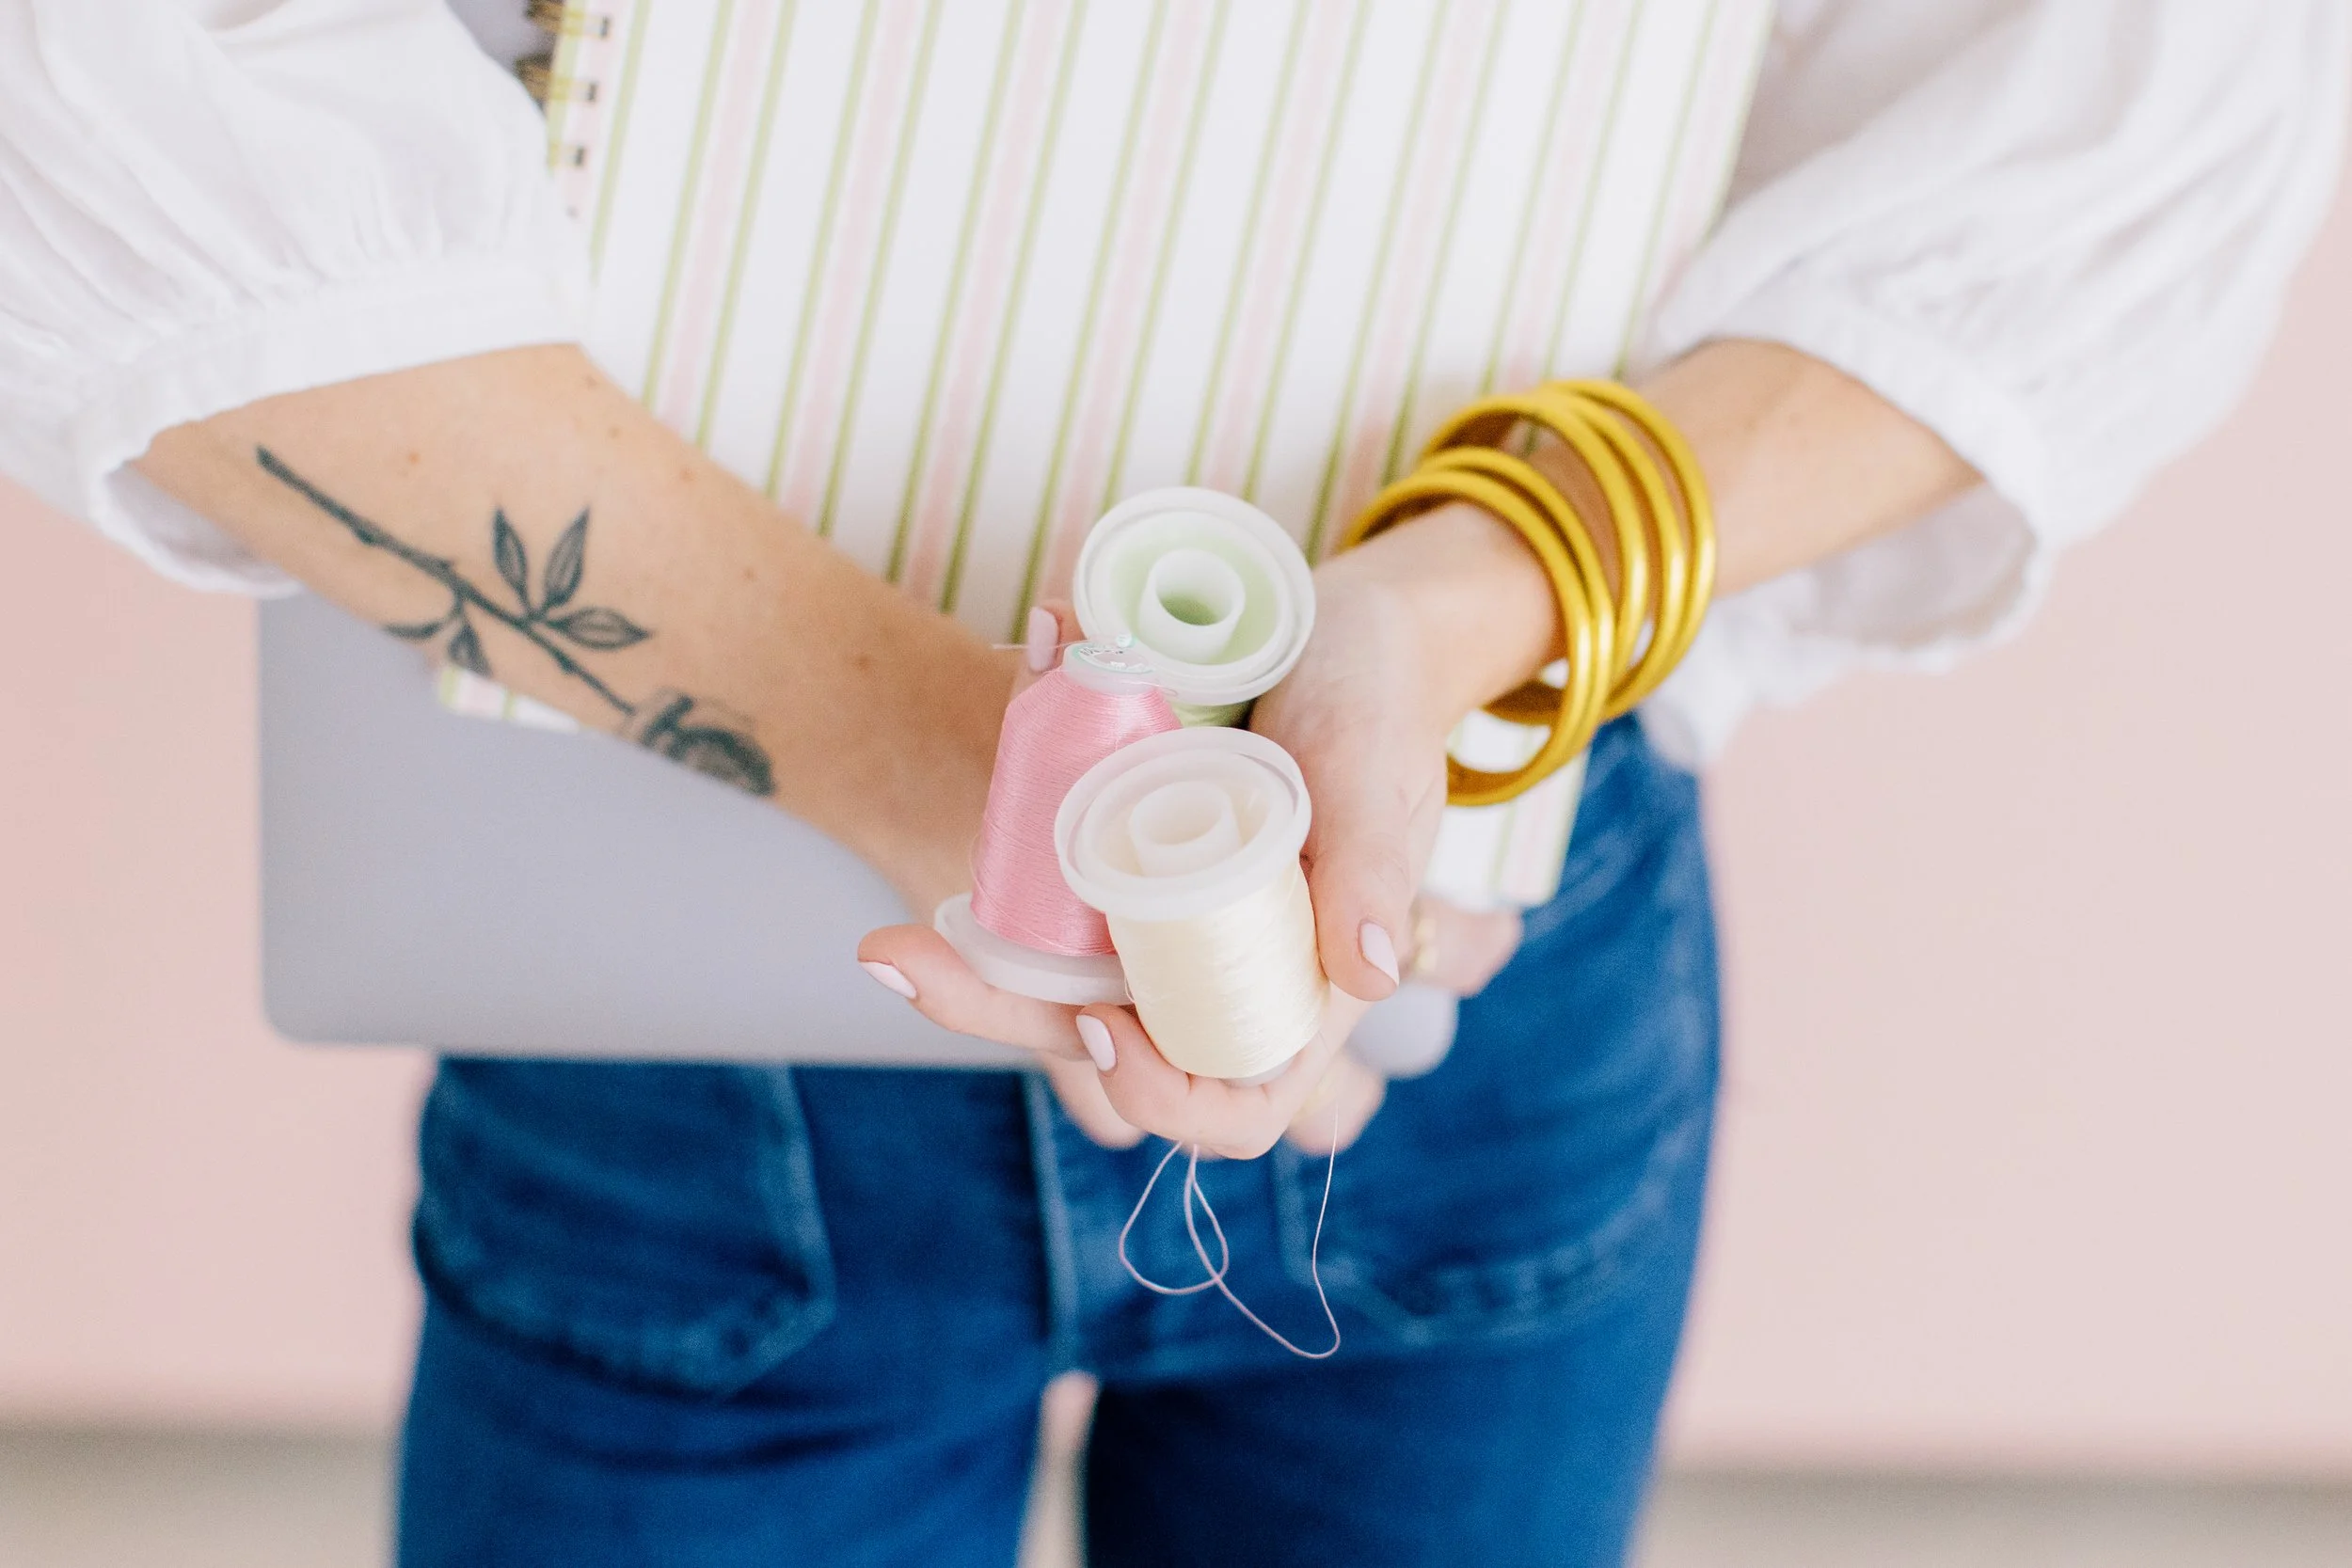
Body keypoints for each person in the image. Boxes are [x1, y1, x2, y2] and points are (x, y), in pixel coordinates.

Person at [1, 2, 2341, 1563]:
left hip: (1428, 919)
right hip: (733, 991)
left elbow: (2140, 121)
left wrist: (1436, 609)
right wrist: (999, 751)